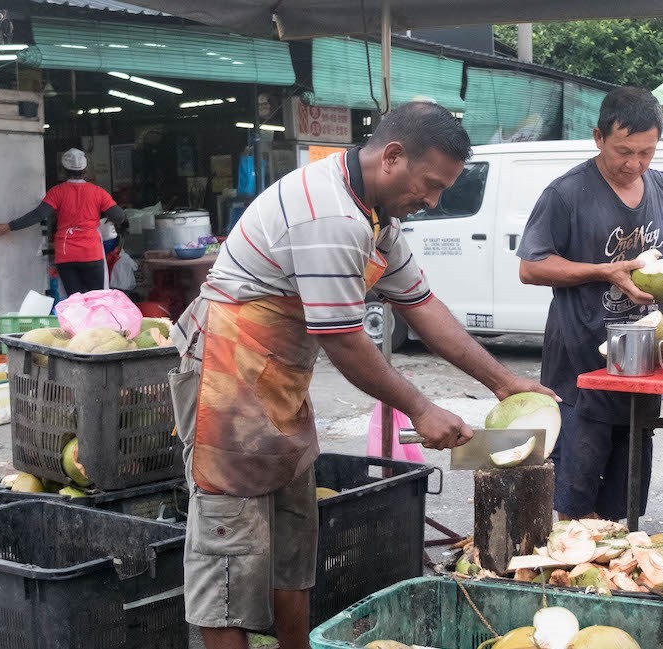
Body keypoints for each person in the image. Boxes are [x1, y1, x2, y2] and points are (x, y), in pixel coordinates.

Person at [168, 102, 556, 649]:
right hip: (225, 380)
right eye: (430, 185)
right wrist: (421, 408)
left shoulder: (377, 218)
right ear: (392, 156)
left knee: (293, 545)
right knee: (228, 558)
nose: (432, 201)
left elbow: (422, 304)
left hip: (278, 380)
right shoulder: (330, 214)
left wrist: (503, 382)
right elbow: (344, 340)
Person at [516, 87, 663, 523]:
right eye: (624, 151)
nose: (634, 163)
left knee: (622, 508)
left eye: (646, 152)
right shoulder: (567, 194)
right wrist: (603, 271)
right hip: (580, 375)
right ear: (598, 137)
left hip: (640, 376)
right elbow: (531, 267)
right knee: (575, 509)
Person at [0, 148, 126, 295]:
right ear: (85, 170)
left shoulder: (57, 192)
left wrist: (10, 226)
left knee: (74, 300)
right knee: (96, 299)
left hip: (67, 254)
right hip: (91, 253)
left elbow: (38, 215)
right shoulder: (98, 192)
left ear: (63, 170)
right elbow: (119, 216)